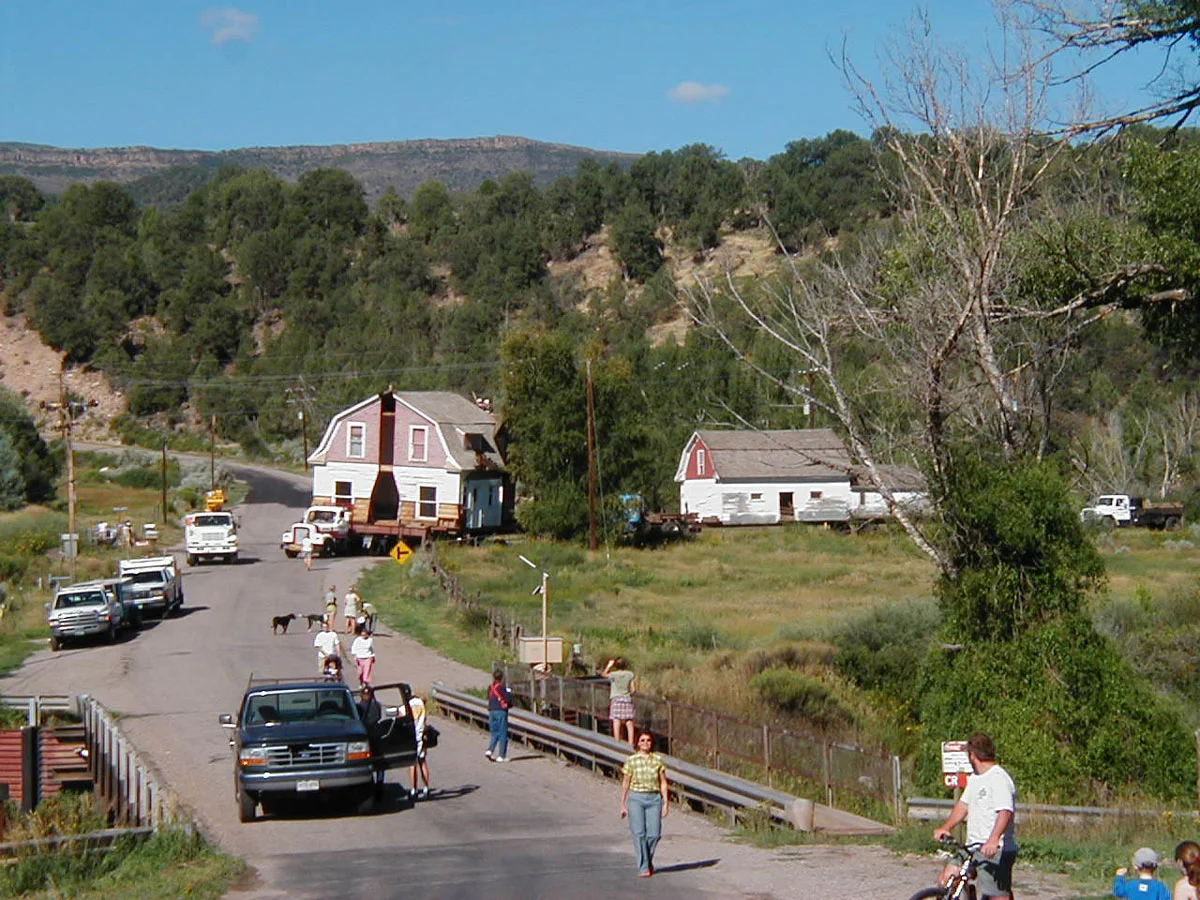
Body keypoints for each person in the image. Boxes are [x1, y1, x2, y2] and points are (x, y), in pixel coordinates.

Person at [933, 732, 1017, 900]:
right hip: (972, 846)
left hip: (995, 849)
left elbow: (1005, 811)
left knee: (995, 895)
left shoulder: (998, 778)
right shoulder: (975, 779)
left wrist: (993, 839)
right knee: (947, 879)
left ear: (972, 755)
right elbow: (963, 806)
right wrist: (946, 827)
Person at [619, 731, 670, 878]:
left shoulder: (657, 760)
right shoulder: (631, 761)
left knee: (654, 834)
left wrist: (666, 803)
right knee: (639, 833)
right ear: (637, 743)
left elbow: (663, 782)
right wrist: (622, 803)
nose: (645, 743)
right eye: (642, 740)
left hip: (654, 798)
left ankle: (646, 859)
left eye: (648, 740)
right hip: (636, 798)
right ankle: (643, 867)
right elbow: (626, 782)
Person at [602, 657, 637, 745]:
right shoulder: (630, 674)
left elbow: (603, 674)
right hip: (627, 699)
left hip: (616, 699)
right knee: (629, 721)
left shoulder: (614, 674)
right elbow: (633, 689)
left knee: (616, 720)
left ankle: (617, 741)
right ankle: (630, 742)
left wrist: (609, 665)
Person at [484, 670, 512, 762]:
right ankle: (501, 755)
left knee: (494, 733)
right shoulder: (502, 688)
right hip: (501, 712)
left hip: (492, 711)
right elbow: (508, 700)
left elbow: (488, 697)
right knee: (503, 733)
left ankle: (489, 750)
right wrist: (509, 693)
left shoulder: (490, 688)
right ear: (502, 678)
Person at [409, 694, 431, 800]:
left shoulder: (407, 705)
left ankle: (414, 789)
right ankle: (426, 787)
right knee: (422, 762)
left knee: (412, 764)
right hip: (421, 736)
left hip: (412, 737)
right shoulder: (422, 705)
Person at [350, 623, 376, 688]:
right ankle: (361, 682)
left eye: (365, 634)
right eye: (362, 634)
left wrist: (373, 656)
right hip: (359, 658)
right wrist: (355, 655)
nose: (363, 635)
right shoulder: (357, 640)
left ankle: (366, 683)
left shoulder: (370, 640)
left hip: (368, 657)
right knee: (360, 672)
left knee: (366, 672)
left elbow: (372, 649)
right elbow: (354, 647)